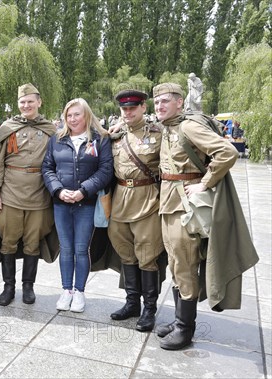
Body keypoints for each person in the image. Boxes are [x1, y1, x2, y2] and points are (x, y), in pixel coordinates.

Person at [153, 83, 257, 350]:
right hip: (168, 203)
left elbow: (227, 152)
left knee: (185, 264)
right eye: (156, 103)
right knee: (176, 264)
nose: (160, 106)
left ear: (179, 103)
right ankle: (179, 320)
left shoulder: (188, 126)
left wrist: (205, 183)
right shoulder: (168, 128)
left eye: (165, 101)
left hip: (185, 207)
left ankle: (185, 329)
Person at [42, 98, 113, 313]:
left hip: (87, 203)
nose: (72, 119)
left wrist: (83, 191)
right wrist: (58, 190)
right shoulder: (57, 139)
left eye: (77, 114)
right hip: (61, 203)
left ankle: (79, 291)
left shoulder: (100, 139)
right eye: (69, 115)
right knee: (66, 248)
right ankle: (66, 291)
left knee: (81, 249)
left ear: (86, 115)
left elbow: (105, 170)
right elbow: (47, 167)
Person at [0, 83, 57, 306]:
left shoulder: (51, 129)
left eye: (30, 101)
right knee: (8, 242)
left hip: (39, 195)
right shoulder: (8, 127)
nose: (26, 105)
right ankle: (9, 287)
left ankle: (28, 287)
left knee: (32, 243)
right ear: (18, 104)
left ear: (39, 102)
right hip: (10, 194)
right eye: (22, 102)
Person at [107, 90, 163, 331]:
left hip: (147, 200)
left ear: (143, 107)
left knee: (147, 255)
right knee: (126, 253)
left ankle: (149, 308)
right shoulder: (115, 136)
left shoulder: (158, 134)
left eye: (132, 108)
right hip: (120, 200)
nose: (128, 112)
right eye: (124, 109)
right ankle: (132, 303)